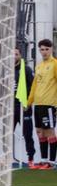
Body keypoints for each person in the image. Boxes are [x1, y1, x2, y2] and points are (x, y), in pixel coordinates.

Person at [29, 39, 57, 168]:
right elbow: (34, 86)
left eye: (47, 49)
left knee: (49, 132)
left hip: (49, 104)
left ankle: (51, 161)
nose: (44, 52)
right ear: (39, 50)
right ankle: (44, 159)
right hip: (38, 104)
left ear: (51, 49)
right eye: (42, 49)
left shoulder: (55, 64)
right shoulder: (39, 66)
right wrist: (29, 102)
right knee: (40, 132)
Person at [14, 48, 38, 168]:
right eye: (12, 54)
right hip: (10, 108)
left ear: (20, 56)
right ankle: (4, 158)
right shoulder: (6, 71)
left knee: (27, 134)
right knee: (6, 135)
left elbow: (34, 88)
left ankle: (31, 159)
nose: (14, 56)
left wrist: (28, 103)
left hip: (24, 107)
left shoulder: (26, 70)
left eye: (16, 54)